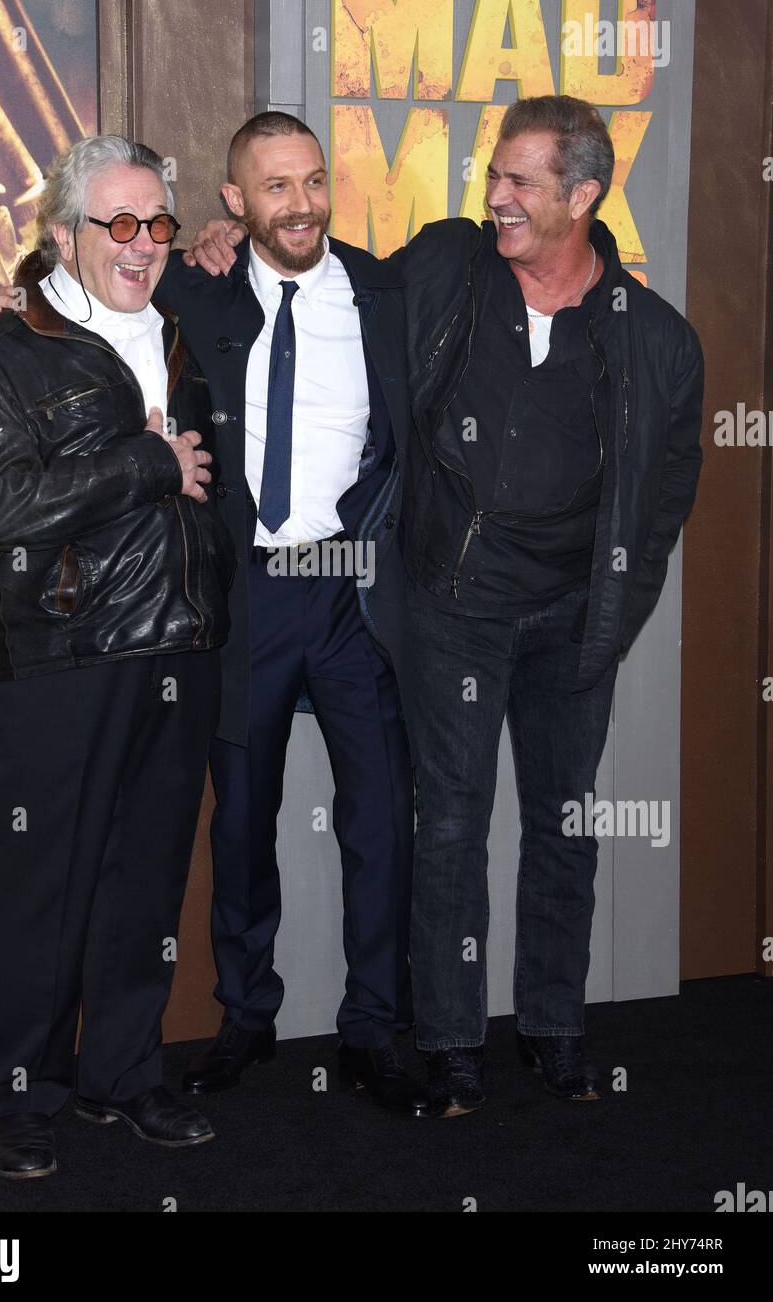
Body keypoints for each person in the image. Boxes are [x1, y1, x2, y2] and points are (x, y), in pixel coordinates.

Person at [186, 95, 704, 1118]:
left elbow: (662, 493)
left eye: (519, 181)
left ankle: (552, 1030)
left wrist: (613, 608)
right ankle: (452, 1044)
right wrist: (226, 234)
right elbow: (294, 263)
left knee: (563, 824)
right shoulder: (444, 265)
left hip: (569, 620)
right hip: (446, 606)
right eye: (493, 175)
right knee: (444, 825)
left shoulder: (652, 337)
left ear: (583, 195)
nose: (494, 195)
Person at [0, 113, 427, 1118]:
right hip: (236, 596)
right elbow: (57, 278)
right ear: (233, 203)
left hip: (350, 590)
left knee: (379, 823)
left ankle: (373, 1028)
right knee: (237, 825)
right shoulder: (189, 287)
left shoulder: (386, 290)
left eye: (312, 181)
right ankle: (244, 1018)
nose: (299, 203)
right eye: (274, 187)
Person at [0, 135, 234, 1178]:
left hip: (177, 645)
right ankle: (20, 1095)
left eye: (156, 222)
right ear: (61, 234)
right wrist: (147, 461)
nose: (141, 242)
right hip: (64, 651)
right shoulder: (2, 351)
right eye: (116, 223)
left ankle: (124, 1071)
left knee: (143, 883)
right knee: (40, 884)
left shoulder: (178, 335)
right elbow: (5, 507)